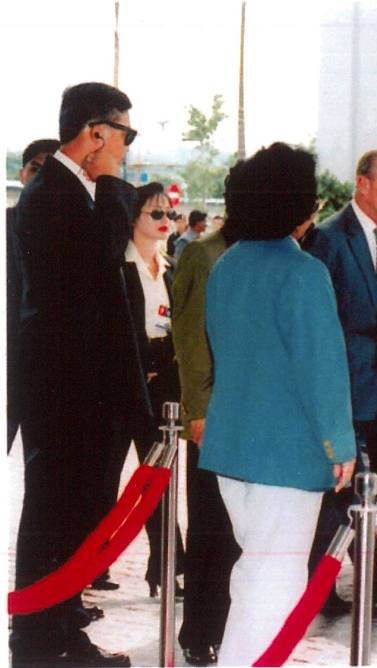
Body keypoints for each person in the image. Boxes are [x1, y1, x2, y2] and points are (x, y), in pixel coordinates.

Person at [198, 142, 356, 666]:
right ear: (301, 208)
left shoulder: (227, 266)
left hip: (232, 450)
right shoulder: (304, 274)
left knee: (254, 574)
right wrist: (340, 442)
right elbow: (323, 371)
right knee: (276, 585)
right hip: (286, 457)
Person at [11, 81, 148, 668]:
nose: (127, 149)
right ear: (94, 133)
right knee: (53, 517)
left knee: (77, 519)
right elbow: (95, 265)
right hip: (64, 395)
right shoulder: (52, 197)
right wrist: (116, 190)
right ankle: (39, 638)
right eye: (124, 134)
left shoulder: (79, 192)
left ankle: (62, 629)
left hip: (91, 396)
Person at [303, 148, 377, 618]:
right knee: (356, 486)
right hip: (336, 387)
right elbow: (320, 324)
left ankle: (320, 583)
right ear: (361, 183)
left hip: (369, 388)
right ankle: (375, 585)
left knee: (345, 489)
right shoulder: (328, 239)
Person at [172, 175, 245, 667]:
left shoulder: (261, 253)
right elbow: (191, 340)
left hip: (247, 417)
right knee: (210, 531)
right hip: (213, 417)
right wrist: (199, 411)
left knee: (236, 534)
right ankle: (199, 633)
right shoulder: (204, 253)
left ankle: (229, 628)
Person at [101, 182, 186, 597]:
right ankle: (92, 562)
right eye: (156, 214)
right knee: (105, 479)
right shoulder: (118, 267)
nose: (165, 221)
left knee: (159, 480)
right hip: (121, 387)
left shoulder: (172, 268)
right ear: (134, 218)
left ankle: (168, 564)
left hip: (162, 388)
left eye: (170, 214)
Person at [7, 138, 60, 452]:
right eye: (35, 169)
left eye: (50, 172)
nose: (41, 179)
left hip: (41, 377)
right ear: (21, 173)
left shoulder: (71, 238)